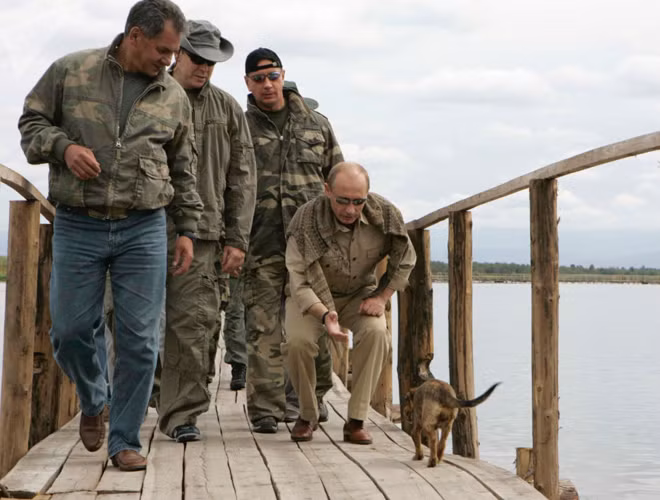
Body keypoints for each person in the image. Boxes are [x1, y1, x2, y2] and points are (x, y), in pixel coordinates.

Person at [18, 0, 202, 471]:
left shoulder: (173, 96)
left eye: (174, 52)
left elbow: (184, 167)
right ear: (134, 36)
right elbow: (31, 124)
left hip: (145, 227)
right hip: (78, 222)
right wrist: (64, 147)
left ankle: (124, 440)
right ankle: (94, 398)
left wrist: (186, 229)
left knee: (140, 340)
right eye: (163, 50)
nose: (169, 60)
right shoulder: (70, 70)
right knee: (70, 331)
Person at [157, 19, 256, 443]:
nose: (204, 68)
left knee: (194, 325)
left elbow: (243, 177)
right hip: (145, 227)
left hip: (204, 235)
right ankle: (147, 395)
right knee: (126, 323)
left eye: (212, 62)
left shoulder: (228, 109)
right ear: (177, 52)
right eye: (197, 58)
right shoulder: (148, 93)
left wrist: (237, 239)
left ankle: (182, 414)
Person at [243, 48, 343, 433]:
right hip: (260, 241)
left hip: (310, 244)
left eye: (273, 76)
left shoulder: (317, 125)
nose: (267, 85)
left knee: (314, 322)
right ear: (248, 83)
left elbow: (338, 181)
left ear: (283, 75)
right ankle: (265, 409)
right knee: (262, 325)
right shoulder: (240, 128)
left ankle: (311, 399)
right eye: (258, 79)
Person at [284, 162, 417, 443]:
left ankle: (356, 420)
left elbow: (406, 258)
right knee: (297, 342)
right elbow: (299, 281)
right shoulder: (305, 221)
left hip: (359, 294)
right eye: (342, 200)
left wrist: (381, 297)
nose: (350, 210)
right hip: (312, 297)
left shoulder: (386, 215)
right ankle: (307, 414)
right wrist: (325, 315)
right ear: (327, 191)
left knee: (377, 333)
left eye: (358, 202)